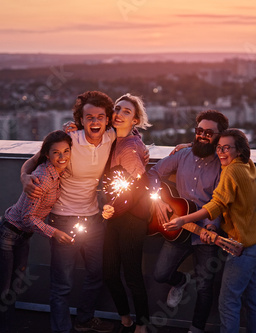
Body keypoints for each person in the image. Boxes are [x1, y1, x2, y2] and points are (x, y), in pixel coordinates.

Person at [0, 130, 75, 333]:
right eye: (56, 152)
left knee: (10, 292)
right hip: (4, 235)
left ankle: (2, 324)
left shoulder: (59, 174)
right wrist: (54, 233)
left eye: (66, 151)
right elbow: (27, 218)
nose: (62, 157)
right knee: (0, 290)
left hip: (21, 238)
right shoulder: (42, 177)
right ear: (47, 154)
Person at [20, 91, 116, 333]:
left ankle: (84, 321)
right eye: (89, 117)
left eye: (100, 117)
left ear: (107, 120)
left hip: (94, 220)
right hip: (63, 220)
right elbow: (35, 160)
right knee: (62, 284)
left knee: (96, 274)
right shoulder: (70, 139)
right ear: (80, 120)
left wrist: (184, 145)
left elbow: (133, 130)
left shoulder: (111, 137)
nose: (95, 122)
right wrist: (24, 177)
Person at [166, 129, 256, 333]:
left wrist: (183, 219)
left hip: (241, 246)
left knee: (228, 303)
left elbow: (215, 205)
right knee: (251, 298)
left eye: (226, 148)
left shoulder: (231, 171)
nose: (221, 152)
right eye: (219, 147)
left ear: (239, 150)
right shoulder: (246, 164)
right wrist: (190, 147)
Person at [147, 110, 229, 333]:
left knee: (205, 287)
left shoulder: (224, 166)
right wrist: (159, 201)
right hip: (178, 228)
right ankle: (180, 282)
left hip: (205, 232)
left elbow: (220, 202)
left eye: (209, 133)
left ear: (219, 136)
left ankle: (196, 328)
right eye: (199, 131)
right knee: (160, 274)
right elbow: (153, 173)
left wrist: (213, 226)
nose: (202, 136)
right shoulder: (182, 155)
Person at [100, 94, 152, 333]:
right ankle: (125, 319)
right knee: (109, 272)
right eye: (117, 109)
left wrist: (114, 208)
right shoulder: (111, 139)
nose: (119, 114)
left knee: (131, 274)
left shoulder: (130, 147)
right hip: (115, 215)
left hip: (132, 217)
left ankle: (142, 322)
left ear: (136, 120)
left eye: (127, 112)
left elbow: (139, 186)